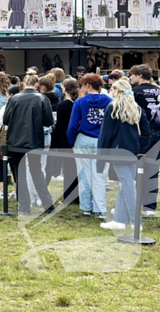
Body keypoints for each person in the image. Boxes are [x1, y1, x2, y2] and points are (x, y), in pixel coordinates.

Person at [97, 79, 149, 230]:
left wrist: (101, 158)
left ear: (118, 90)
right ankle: (120, 220)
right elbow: (146, 133)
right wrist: (139, 147)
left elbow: (105, 135)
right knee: (126, 185)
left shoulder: (113, 107)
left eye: (113, 88)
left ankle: (136, 221)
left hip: (117, 151)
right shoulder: (136, 107)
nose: (110, 90)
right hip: (132, 151)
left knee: (127, 185)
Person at [2, 75, 55, 214]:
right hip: (34, 140)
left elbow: (5, 119)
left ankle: (24, 206)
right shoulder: (42, 99)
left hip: (15, 140)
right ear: (37, 84)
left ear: (24, 83)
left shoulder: (14, 98)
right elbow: (49, 121)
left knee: (20, 175)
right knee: (37, 172)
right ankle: (48, 205)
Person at [67, 73, 112, 219]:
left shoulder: (80, 102)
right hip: (102, 141)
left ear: (87, 85)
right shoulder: (110, 101)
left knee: (84, 175)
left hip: (83, 139)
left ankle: (87, 208)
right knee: (100, 176)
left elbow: (73, 125)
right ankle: (100, 209)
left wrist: (71, 141)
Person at [129, 64, 160, 217]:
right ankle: (149, 207)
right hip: (158, 133)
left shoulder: (135, 92)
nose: (130, 77)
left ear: (139, 75)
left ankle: (135, 203)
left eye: (132, 74)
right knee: (152, 171)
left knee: (136, 170)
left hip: (141, 134)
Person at [49, 78, 79, 203]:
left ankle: (70, 196)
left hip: (65, 139)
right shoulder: (78, 103)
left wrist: (54, 143)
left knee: (69, 169)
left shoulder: (63, 105)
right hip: (77, 138)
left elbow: (60, 126)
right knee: (75, 169)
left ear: (65, 89)